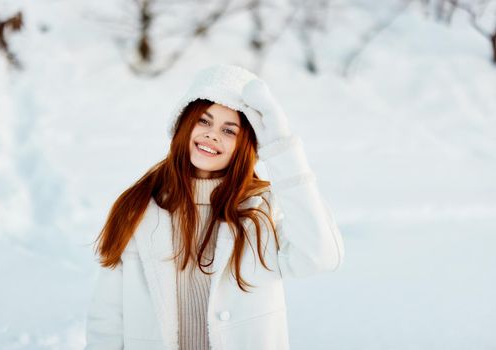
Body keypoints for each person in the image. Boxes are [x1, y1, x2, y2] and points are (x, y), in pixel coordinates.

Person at [84, 63, 345, 350]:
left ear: (246, 145)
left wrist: (282, 146)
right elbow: (107, 319)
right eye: (204, 121)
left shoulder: (263, 210)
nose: (212, 135)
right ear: (184, 124)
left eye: (229, 130)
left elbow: (321, 256)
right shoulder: (137, 209)